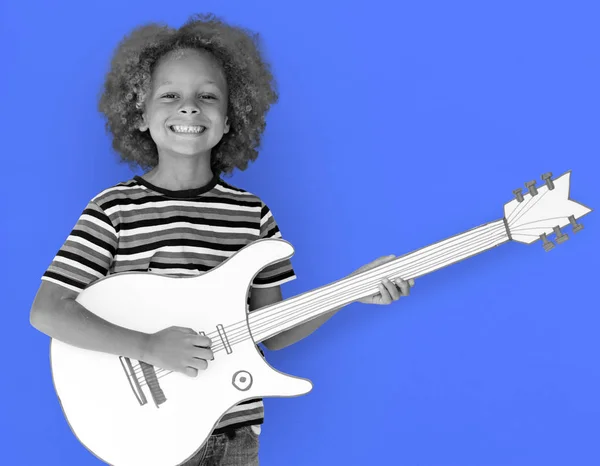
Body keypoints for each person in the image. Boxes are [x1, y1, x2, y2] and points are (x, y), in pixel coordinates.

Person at [29, 13, 412, 466]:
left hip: (235, 434)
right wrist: (147, 347)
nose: (189, 108)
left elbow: (277, 330)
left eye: (208, 96)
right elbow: (47, 311)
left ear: (231, 119)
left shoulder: (253, 215)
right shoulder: (114, 210)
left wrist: (353, 289)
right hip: (151, 436)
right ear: (141, 112)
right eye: (170, 95)